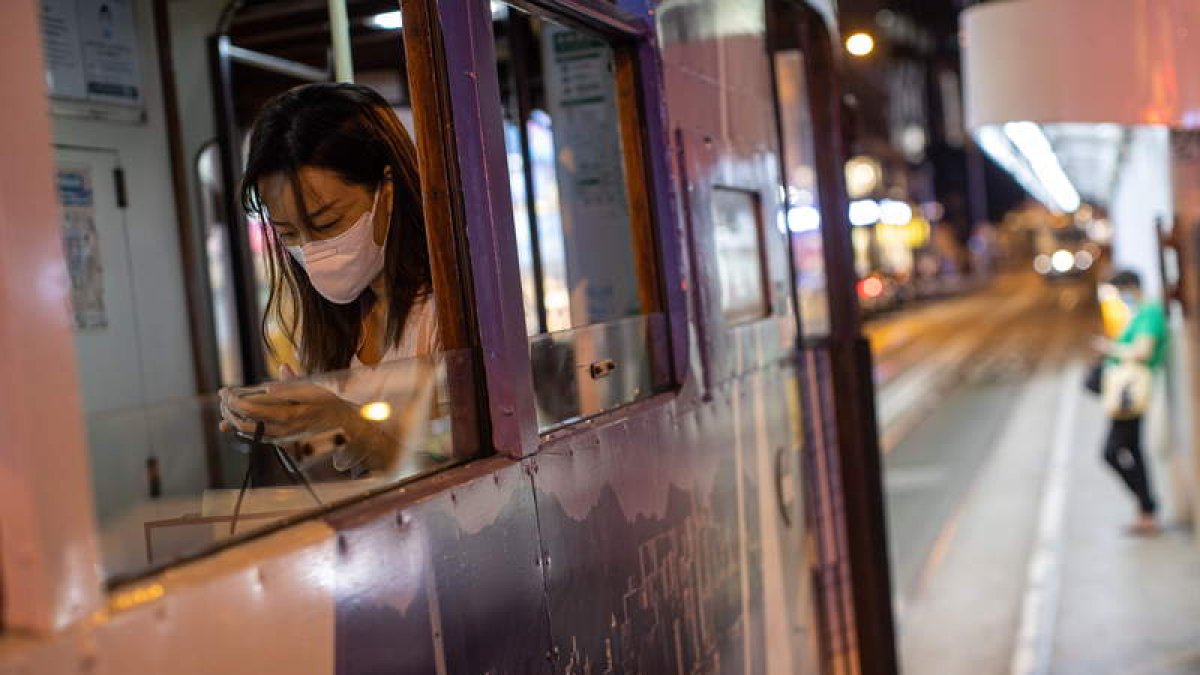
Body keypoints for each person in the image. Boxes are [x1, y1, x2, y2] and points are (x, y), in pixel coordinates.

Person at [218, 83, 439, 477]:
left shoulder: (448, 311)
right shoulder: (327, 324)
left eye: (327, 223)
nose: (311, 251)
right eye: (289, 234)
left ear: (387, 191)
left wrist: (346, 422)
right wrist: (286, 418)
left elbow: (476, 476)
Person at [1091, 270, 1168, 535]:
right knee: (1133, 450)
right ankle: (1146, 513)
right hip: (1128, 392)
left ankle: (1148, 505)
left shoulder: (1148, 314)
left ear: (1129, 287)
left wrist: (1109, 349)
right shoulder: (1141, 313)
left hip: (1130, 393)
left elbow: (1142, 351)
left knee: (1111, 452)